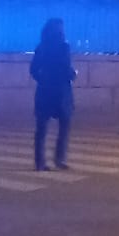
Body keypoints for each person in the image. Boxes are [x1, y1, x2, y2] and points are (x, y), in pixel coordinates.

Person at [29, 18, 75, 171]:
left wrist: (43, 79)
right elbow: (66, 68)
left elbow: (34, 69)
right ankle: (59, 159)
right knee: (64, 126)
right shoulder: (64, 47)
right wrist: (73, 74)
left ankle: (40, 162)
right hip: (61, 91)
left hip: (45, 91)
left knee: (42, 128)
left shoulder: (41, 47)